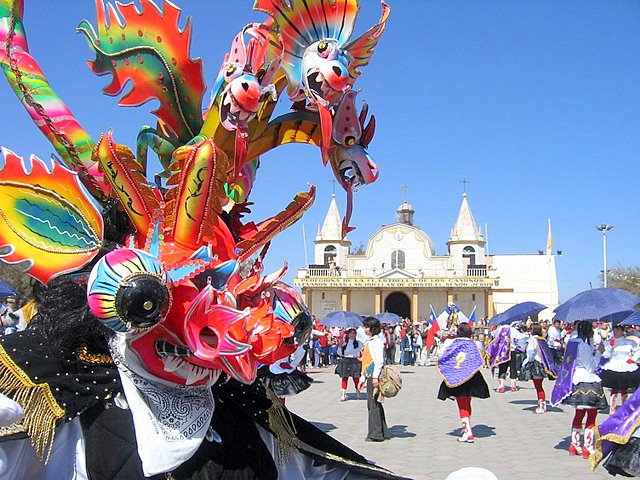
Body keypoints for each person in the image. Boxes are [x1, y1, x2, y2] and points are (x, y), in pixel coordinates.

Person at [551, 320, 608, 458]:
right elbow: (591, 366)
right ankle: (588, 447)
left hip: (575, 381)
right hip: (587, 381)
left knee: (579, 414)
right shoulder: (584, 346)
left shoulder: (572, 343)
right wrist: (598, 353)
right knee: (592, 414)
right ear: (588, 331)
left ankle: (574, 444)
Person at [437, 322, 490, 443]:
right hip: (472, 376)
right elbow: (482, 354)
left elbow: (441, 354)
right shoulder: (475, 344)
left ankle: (468, 432)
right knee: (467, 401)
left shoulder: (451, 343)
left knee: (461, 403)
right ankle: (467, 426)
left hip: (457, 376)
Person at [518, 323, 559, 414]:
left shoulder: (532, 339)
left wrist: (526, 363)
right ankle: (541, 404)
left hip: (536, 364)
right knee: (539, 385)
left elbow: (531, 353)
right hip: (542, 363)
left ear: (533, 330)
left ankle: (541, 405)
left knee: (538, 386)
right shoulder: (542, 339)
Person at [599, 323, 640, 414]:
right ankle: (612, 409)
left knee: (624, 388)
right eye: (615, 330)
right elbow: (606, 355)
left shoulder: (629, 342)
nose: (616, 332)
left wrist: (632, 359)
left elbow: (637, 351)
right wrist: (610, 346)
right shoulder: (609, 342)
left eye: (618, 330)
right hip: (613, 365)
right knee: (614, 388)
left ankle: (625, 409)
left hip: (625, 365)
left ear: (622, 332)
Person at [361, 316, 389, 442]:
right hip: (369, 375)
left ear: (372, 328)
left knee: (373, 404)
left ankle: (376, 433)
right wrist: (362, 378)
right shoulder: (371, 342)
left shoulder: (377, 342)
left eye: (367, 327)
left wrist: (375, 377)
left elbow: (379, 362)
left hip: (374, 376)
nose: (365, 329)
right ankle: (382, 430)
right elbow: (367, 362)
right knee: (375, 403)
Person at [486, 324, 525, 392]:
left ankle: (501, 385)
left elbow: (492, 334)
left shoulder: (499, 329)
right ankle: (513, 385)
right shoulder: (512, 329)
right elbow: (520, 336)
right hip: (511, 350)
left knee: (502, 367)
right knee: (513, 368)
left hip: (502, 351)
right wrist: (527, 334)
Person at [335, 328, 364, 401]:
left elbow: (361, 350)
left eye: (353, 333)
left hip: (354, 361)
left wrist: (360, 357)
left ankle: (358, 392)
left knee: (356, 378)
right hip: (346, 361)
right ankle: (343, 394)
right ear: (347, 335)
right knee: (344, 378)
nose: (352, 335)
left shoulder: (359, 343)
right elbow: (340, 353)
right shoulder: (344, 344)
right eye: (350, 333)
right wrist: (340, 346)